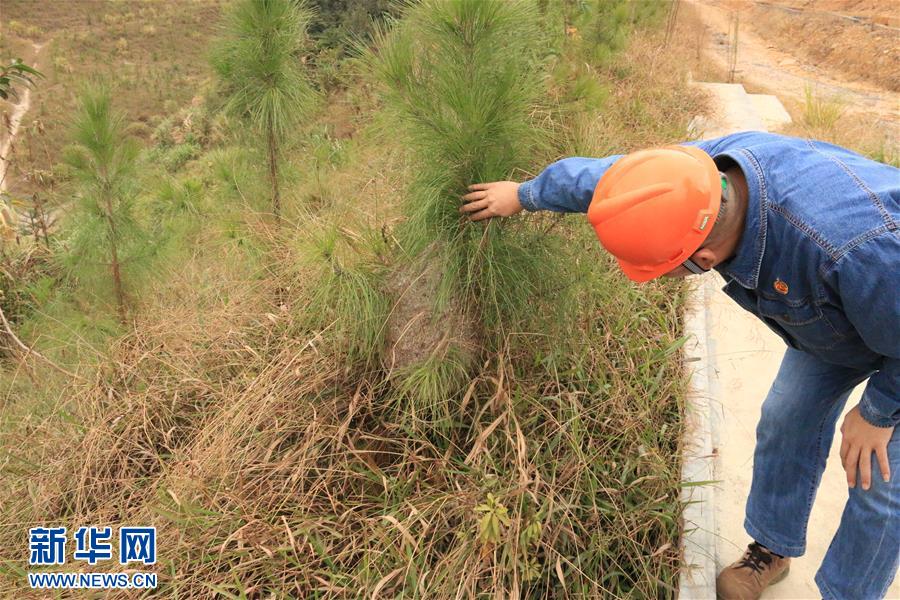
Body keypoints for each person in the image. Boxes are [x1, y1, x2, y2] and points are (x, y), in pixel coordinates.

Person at [460, 131, 900, 600]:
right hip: (837, 319)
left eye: (661, 269)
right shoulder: (699, 175)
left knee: (879, 484)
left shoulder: (852, 250)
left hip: (886, 311)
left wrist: (876, 412)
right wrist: (524, 195)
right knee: (786, 417)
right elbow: (617, 180)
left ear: (703, 260)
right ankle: (772, 548)